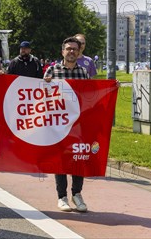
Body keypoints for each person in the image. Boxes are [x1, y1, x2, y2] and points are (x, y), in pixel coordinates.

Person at [43, 36, 89, 213]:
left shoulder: (83, 73)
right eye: (68, 49)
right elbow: (42, 96)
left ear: (79, 52)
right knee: (60, 160)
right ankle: (61, 197)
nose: (71, 52)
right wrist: (44, 85)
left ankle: (76, 194)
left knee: (78, 158)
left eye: (74, 49)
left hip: (77, 124)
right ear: (63, 51)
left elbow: (91, 95)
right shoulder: (52, 71)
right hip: (58, 124)